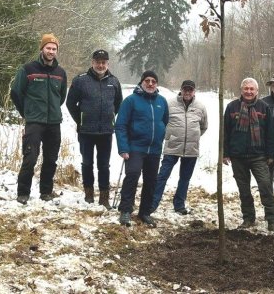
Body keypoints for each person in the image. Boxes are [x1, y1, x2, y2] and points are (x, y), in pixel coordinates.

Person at [10, 33, 68, 204]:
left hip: (54, 123)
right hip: (34, 122)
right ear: (42, 49)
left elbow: (61, 97)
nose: (51, 51)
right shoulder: (28, 69)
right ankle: (23, 193)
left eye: (54, 49)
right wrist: (27, 112)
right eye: (48, 48)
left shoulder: (61, 73)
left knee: (51, 159)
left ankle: (46, 192)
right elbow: (16, 93)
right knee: (30, 157)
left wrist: (53, 110)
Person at [65, 49, 122, 209]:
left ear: (108, 64)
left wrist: (109, 117)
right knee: (87, 163)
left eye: (103, 62)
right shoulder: (80, 80)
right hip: (86, 132)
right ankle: (88, 194)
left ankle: (104, 198)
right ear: (92, 62)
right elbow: (70, 103)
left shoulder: (114, 82)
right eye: (98, 62)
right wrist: (81, 119)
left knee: (104, 165)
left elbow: (118, 104)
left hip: (106, 132)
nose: (100, 65)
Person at [223, 77, 274, 232]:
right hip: (238, 156)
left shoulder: (264, 107)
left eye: (251, 89)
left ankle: (273, 220)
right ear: (241, 90)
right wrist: (225, 153)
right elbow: (225, 132)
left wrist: (270, 155)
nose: (248, 91)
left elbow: (270, 132)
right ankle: (248, 218)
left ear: (257, 91)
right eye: (246, 89)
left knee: (265, 186)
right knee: (244, 190)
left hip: (259, 156)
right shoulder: (231, 107)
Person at [115, 70, 169, 227]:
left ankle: (145, 212)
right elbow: (120, 125)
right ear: (142, 82)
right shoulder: (131, 101)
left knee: (151, 180)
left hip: (154, 149)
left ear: (156, 84)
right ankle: (125, 210)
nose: (150, 83)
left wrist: (159, 137)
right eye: (147, 80)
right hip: (135, 147)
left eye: (153, 81)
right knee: (132, 175)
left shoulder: (162, 101)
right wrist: (123, 147)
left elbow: (164, 121)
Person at [151, 80, 208, 215]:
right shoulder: (170, 104)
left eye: (190, 90)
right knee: (162, 176)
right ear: (181, 90)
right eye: (185, 89)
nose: (187, 92)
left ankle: (179, 204)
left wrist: (193, 137)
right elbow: (161, 123)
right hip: (172, 147)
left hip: (191, 150)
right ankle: (152, 203)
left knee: (185, 178)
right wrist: (169, 136)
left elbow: (204, 126)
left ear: (194, 91)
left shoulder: (200, 107)